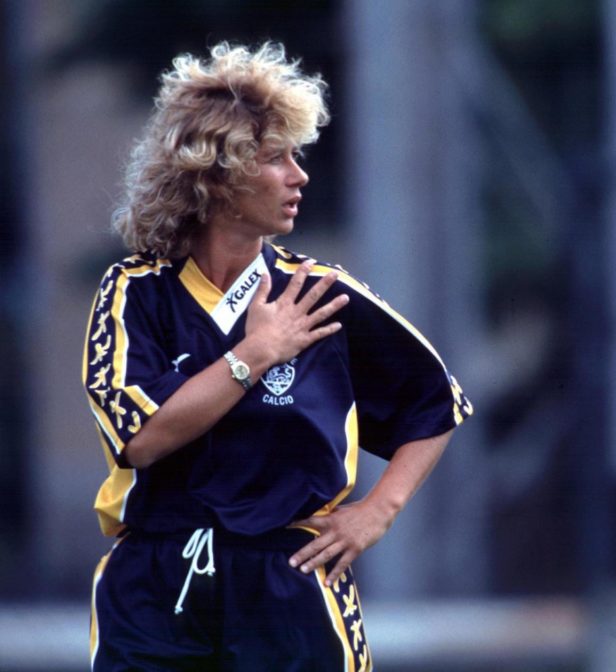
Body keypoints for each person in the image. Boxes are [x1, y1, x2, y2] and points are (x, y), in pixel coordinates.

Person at [82, 42, 472, 671]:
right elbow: (143, 439)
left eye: (297, 156)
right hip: (153, 584)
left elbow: (437, 403)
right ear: (217, 174)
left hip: (289, 579)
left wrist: (377, 512)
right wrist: (257, 352)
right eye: (274, 158)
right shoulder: (133, 291)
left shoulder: (319, 293)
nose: (299, 176)